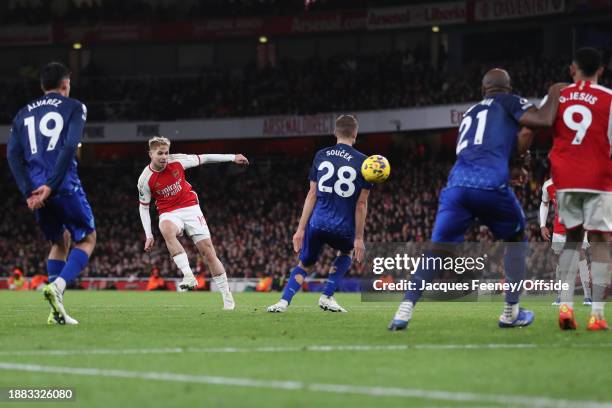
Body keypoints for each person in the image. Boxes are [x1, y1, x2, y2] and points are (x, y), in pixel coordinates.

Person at [388, 68, 564, 330]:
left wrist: (514, 164)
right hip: (490, 185)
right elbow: (542, 120)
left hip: (456, 186)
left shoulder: (471, 112)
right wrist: (553, 93)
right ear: (508, 87)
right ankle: (511, 311)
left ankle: (405, 308)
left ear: (483, 90)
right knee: (516, 242)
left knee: (438, 250)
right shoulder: (509, 101)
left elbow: (487, 147)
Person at [7, 62, 96, 325]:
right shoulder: (74, 106)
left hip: (35, 189)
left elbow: (12, 156)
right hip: (62, 184)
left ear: (42, 87)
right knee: (88, 239)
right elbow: (69, 146)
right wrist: (53, 184)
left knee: (59, 242)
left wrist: (28, 192)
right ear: (65, 84)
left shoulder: (22, 114)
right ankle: (58, 286)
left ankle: (56, 311)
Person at [267, 114, 371, 313]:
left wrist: (300, 229)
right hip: (343, 226)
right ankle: (327, 296)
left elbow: (311, 194)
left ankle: (283, 302)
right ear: (355, 134)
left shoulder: (321, 154)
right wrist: (359, 237)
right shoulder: (364, 162)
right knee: (346, 251)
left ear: (335, 133)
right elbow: (361, 204)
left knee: (305, 264)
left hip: (317, 223)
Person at [137, 136, 248, 310]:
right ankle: (188, 275)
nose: (164, 157)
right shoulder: (145, 179)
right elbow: (143, 208)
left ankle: (227, 298)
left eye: (166, 153)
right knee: (165, 228)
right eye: (160, 153)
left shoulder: (178, 161)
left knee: (208, 253)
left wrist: (232, 157)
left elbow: (205, 158)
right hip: (169, 212)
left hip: (190, 207)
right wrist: (149, 234)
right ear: (150, 153)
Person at [550, 48, 612, 331]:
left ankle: (565, 305)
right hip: (598, 177)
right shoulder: (609, 98)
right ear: (601, 70)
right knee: (599, 241)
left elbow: (541, 124)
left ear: (572, 68)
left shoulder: (558, 95)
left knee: (572, 240)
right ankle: (597, 315)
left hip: (566, 176)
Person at [539, 178, 591, 306]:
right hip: (559, 230)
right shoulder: (548, 185)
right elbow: (545, 203)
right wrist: (542, 225)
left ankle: (588, 297)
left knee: (581, 255)